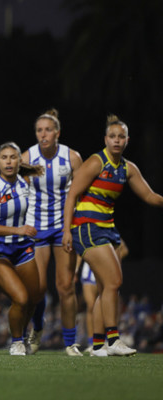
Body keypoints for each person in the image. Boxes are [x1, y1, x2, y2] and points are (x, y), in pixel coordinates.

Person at [63, 114, 163, 357]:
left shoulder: (128, 168)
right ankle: (114, 339)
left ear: (127, 140)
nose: (117, 140)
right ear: (105, 139)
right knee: (114, 282)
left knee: (106, 288)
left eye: (121, 137)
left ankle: (98, 346)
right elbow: (72, 194)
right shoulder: (97, 162)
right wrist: (67, 230)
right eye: (112, 136)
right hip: (87, 226)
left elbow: (149, 196)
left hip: (108, 228)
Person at [21, 109, 84, 356]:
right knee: (36, 289)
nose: (43, 134)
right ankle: (37, 328)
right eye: (39, 130)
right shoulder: (27, 157)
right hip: (36, 227)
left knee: (65, 286)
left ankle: (70, 343)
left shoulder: (72, 157)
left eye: (48, 130)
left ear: (57, 133)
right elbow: (21, 194)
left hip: (62, 227)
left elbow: (78, 196)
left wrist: (71, 228)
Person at [0, 142, 43, 356]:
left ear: (19, 162)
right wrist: (18, 230)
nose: (8, 161)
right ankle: (16, 342)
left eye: (13, 157)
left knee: (34, 298)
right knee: (21, 298)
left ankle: (22, 336)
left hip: (22, 248)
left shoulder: (26, 183)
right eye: (4, 157)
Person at [78, 239, 128, 354]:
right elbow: (80, 250)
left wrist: (111, 261)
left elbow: (124, 250)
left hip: (105, 270)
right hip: (89, 272)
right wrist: (76, 269)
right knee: (90, 306)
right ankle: (93, 342)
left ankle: (108, 339)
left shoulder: (109, 229)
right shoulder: (89, 229)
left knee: (109, 305)